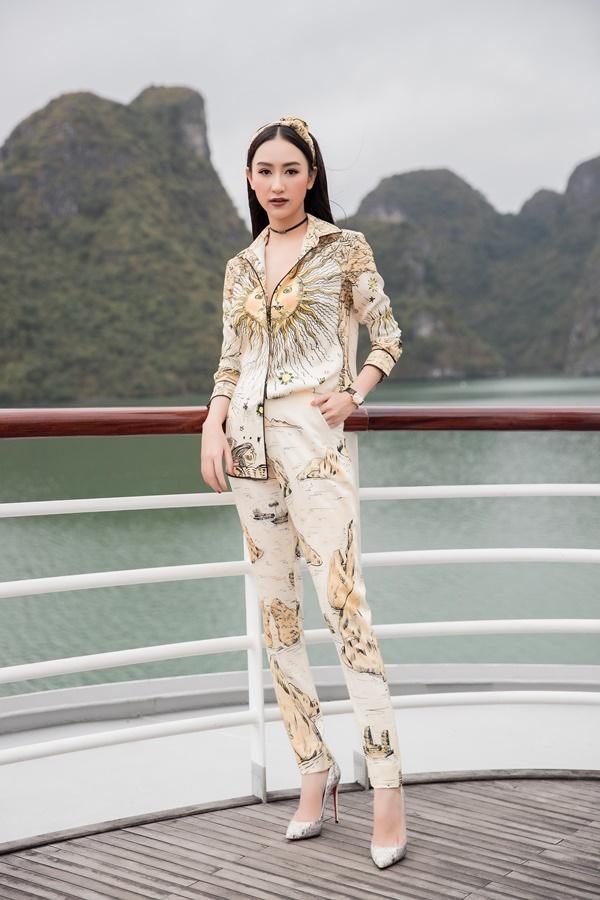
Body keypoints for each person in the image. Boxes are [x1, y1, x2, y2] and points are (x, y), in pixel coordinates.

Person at [201, 115, 407, 869]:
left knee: (346, 612)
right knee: (278, 620)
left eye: (291, 170)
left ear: (311, 176)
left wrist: (354, 393)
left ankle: (387, 788)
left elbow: (388, 336)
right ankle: (312, 772)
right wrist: (212, 421)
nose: (277, 183)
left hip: (316, 454)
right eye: (265, 171)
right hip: (248, 455)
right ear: (250, 180)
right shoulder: (240, 266)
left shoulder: (344, 249)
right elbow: (232, 359)